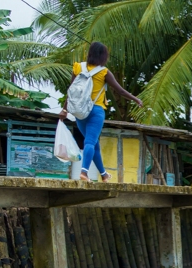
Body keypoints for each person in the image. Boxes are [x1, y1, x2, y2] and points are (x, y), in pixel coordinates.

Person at [59, 42, 142, 182]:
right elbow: (120, 91)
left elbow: (71, 90)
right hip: (96, 110)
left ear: (90, 53)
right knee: (90, 142)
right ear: (103, 56)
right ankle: (84, 173)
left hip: (79, 111)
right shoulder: (103, 71)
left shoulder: (78, 67)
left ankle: (103, 175)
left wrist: (64, 109)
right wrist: (136, 100)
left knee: (93, 143)